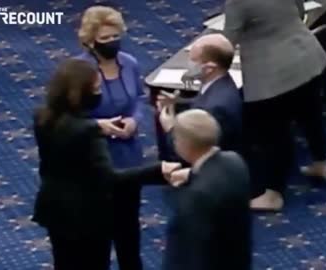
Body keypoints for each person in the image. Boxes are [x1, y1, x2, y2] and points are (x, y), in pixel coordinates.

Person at [32, 59, 181, 270]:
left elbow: (70, 129)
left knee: (64, 263)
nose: (99, 92)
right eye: (96, 88)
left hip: (56, 208)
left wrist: (96, 124)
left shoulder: (42, 117)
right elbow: (109, 178)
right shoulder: (89, 134)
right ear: (81, 93)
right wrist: (158, 170)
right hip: (86, 216)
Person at [223, 0, 326, 210]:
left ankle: (274, 193)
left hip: (272, 71)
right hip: (305, 54)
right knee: (311, 114)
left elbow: (228, 42)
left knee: (274, 132)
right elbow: (300, 11)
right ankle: (320, 164)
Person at [76, 6, 147, 269]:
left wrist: (134, 120)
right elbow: (69, 118)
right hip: (96, 157)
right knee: (99, 233)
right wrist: (99, 125)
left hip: (129, 154)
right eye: (104, 39)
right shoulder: (80, 70)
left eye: (115, 37)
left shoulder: (129, 63)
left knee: (129, 227)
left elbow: (139, 99)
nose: (111, 43)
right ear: (91, 41)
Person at [162, 109, 251, 270]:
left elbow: (191, 254)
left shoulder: (195, 197)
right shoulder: (235, 161)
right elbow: (218, 177)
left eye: (175, 139)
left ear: (185, 144)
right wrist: (192, 174)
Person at [158, 33, 243, 158]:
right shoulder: (221, 82)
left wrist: (170, 129)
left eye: (192, 60)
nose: (187, 63)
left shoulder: (215, 108)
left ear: (209, 68)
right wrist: (177, 103)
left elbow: (194, 152)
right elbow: (201, 101)